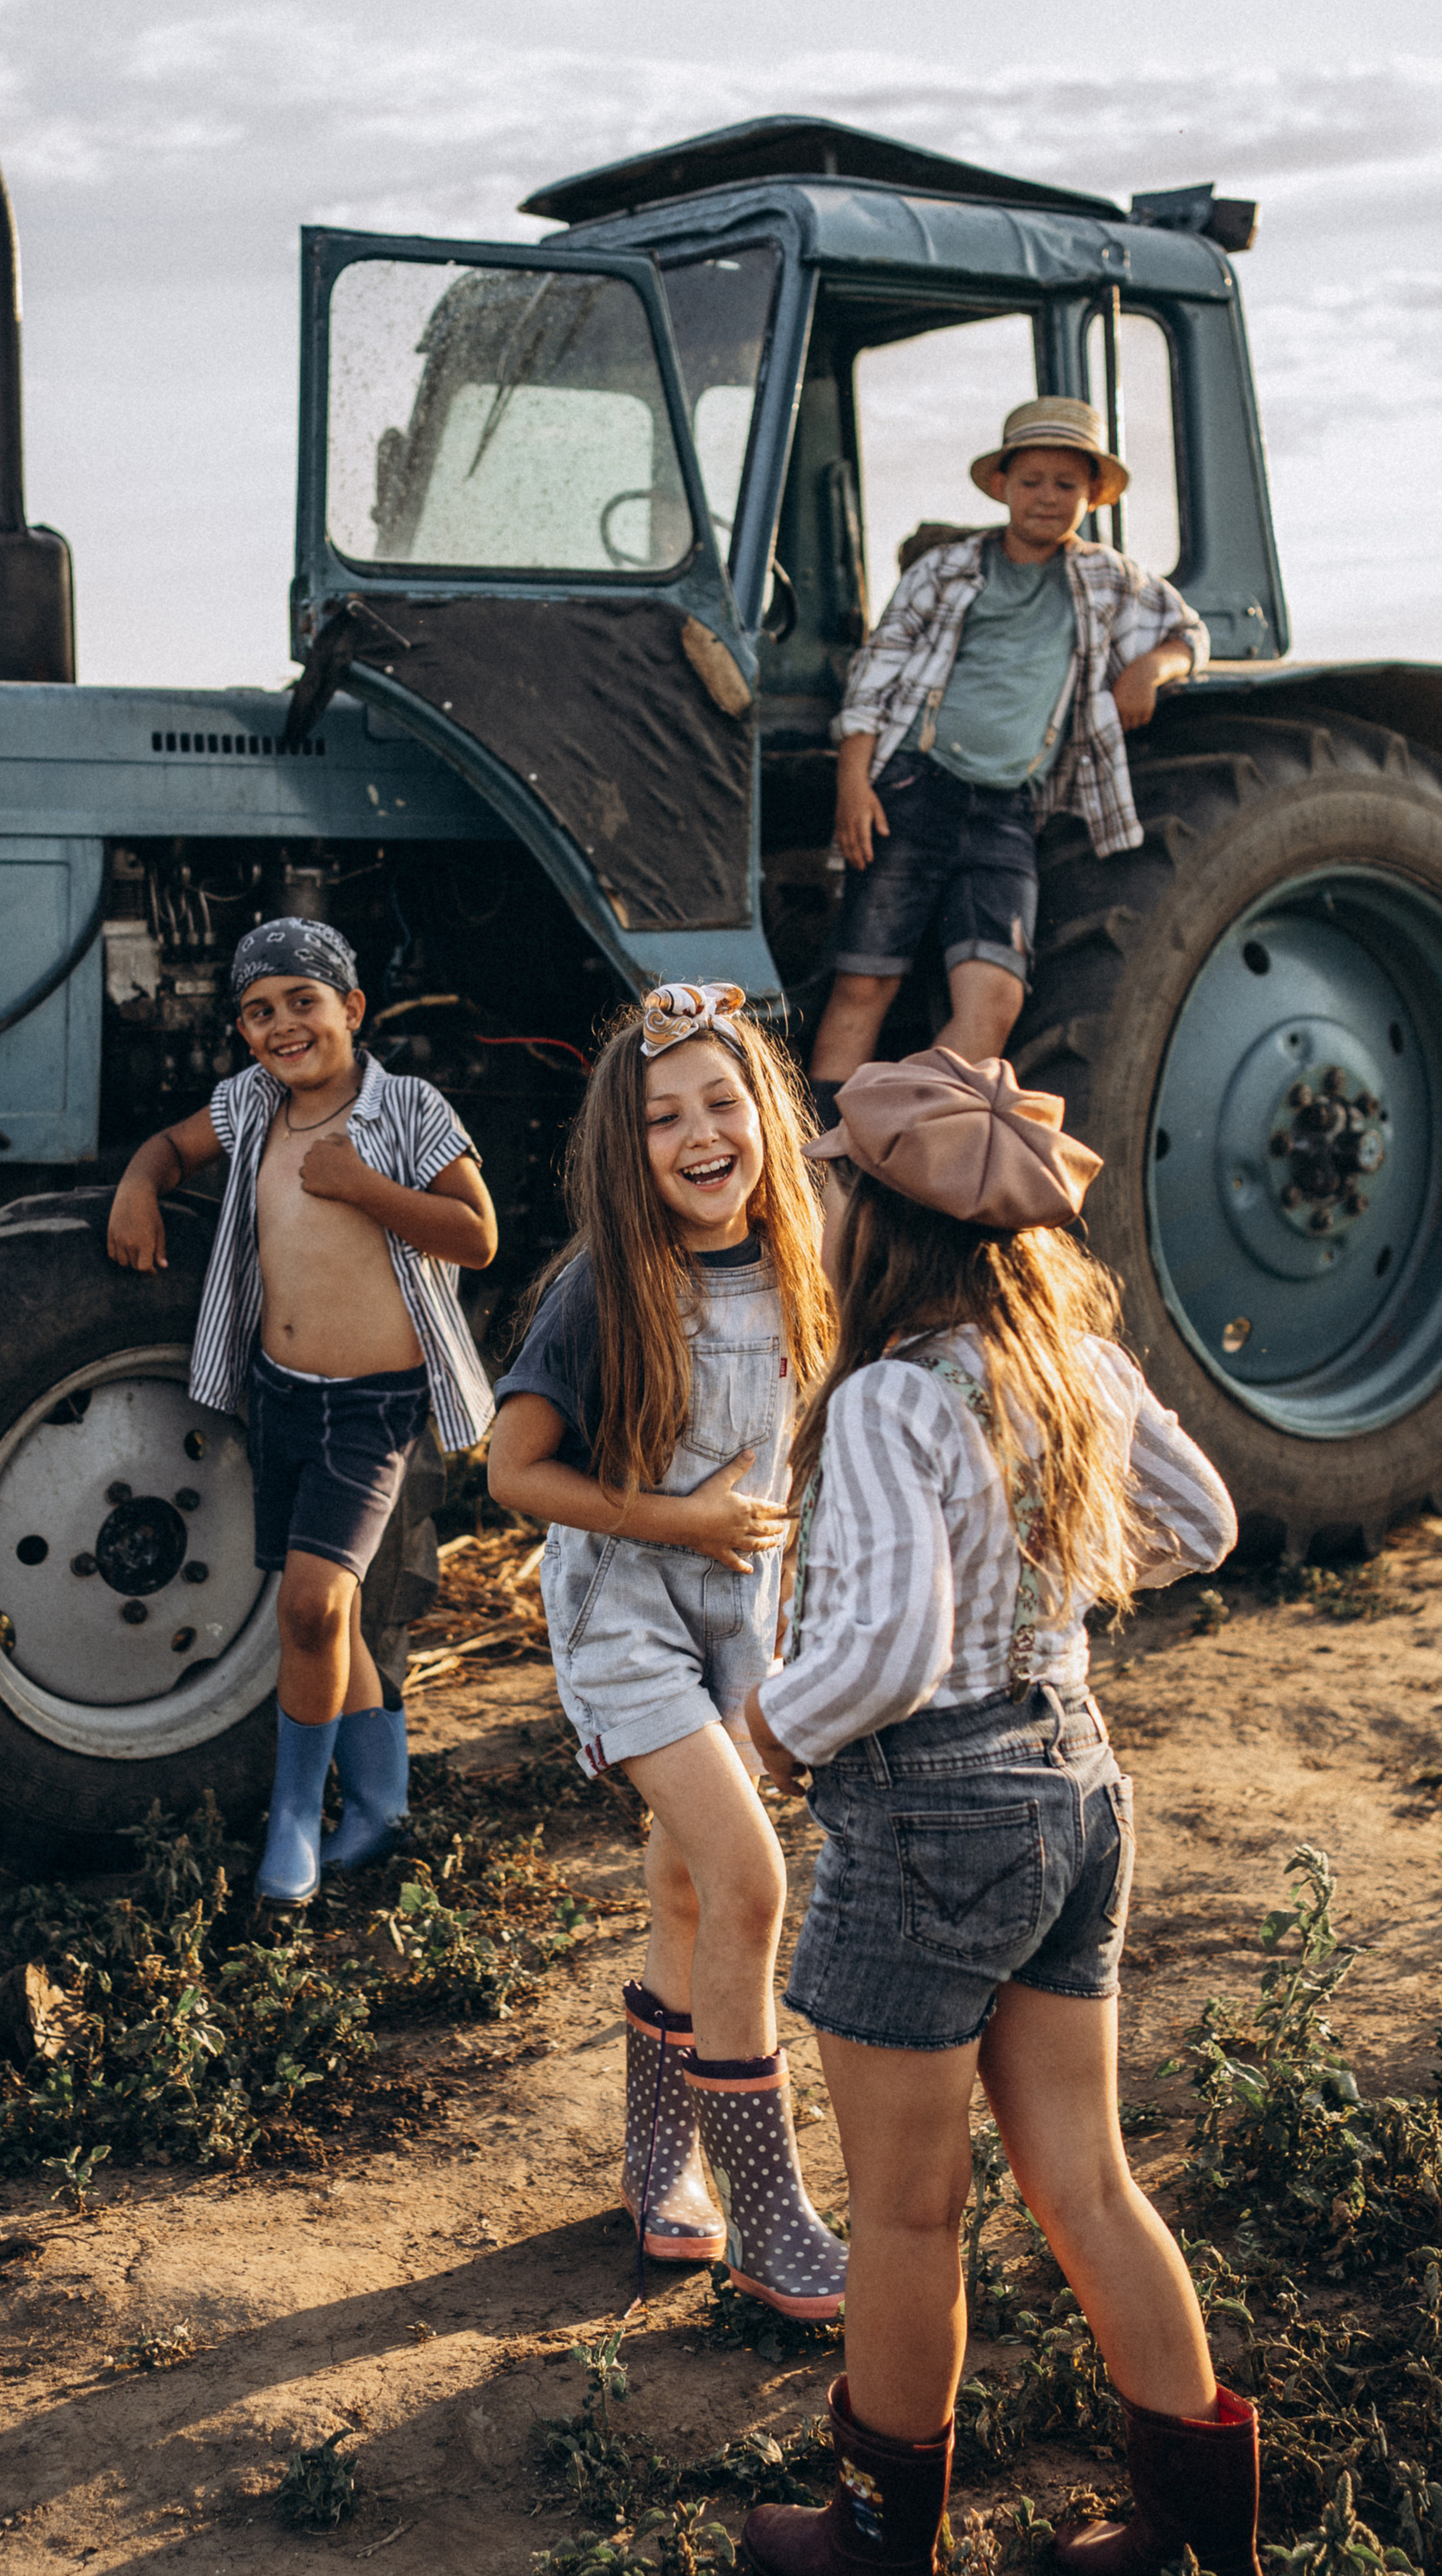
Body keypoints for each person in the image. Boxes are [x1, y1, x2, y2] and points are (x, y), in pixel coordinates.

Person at [738, 1048, 1249, 2576]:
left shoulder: (893, 1396)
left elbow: (889, 1648)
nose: (818, 1204)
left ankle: (878, 2542)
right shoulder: (1069, 1365)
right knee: (1083, 2175)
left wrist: (776, 1722)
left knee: (905, 2215)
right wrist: (1054, 1588)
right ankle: (1190, 2545)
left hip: (936, 1809)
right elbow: (1203, 1524)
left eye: (835, 1184)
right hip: (1074, 1777)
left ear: (884, 1225)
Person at [486, 983, 844, 2317]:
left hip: (747, 1608)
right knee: (747, 1879)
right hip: (625, 1603)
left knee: (687, 1890)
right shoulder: (601, 1288)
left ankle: (659, 2162)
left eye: (722, 1101)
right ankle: (772, 2219)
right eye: (662, 1117)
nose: (700, 1134)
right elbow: (514, 1469)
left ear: (766, 1114)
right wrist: (678, 1520)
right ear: (622, 1149)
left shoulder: (815, 1261)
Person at [107, 917, 498, 1907]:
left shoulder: (406, 1107)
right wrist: (138, 1185)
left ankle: (294, 1814)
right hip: (282, 1396)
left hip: (373, 1409)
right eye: (257, 1010)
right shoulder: (248, 1105)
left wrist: (364, 1187)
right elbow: (168, 1145)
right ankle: (380, 1799)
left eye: (301, 1001)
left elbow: (476, 1235)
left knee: (311, 1608)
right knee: (330, 1614)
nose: (281, 1025)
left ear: (352, 1008)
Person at [806, 397, 1208, 1122]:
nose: (1048, 498)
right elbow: (877, 674)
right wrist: (853, 784)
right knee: (864, 985)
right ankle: (820, 1170)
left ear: (1091, 496)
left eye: (1066, 484)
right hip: (913, 788)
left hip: (1007, 812)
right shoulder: (949, 570)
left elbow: (1188, 631)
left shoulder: (1107, 579)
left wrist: (1156, 668)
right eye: (1032, 481)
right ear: (1001, 486)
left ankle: (913, 1152)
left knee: (994, 1000)